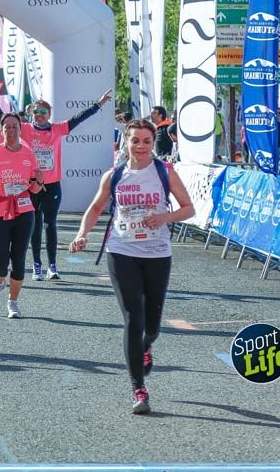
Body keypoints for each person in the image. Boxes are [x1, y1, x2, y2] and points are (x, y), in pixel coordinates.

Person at [69, 118, 195, 415]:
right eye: (135, 140)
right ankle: (138, 388)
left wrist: (162, 218)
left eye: (146, 141)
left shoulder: (164, 172)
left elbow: (189, 208)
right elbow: (96, 208)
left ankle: (147, 345)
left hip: (157, 253)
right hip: (121, 251)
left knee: (151, 325)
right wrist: (82, 234)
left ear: (153, 143)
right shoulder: (114, 175)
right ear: (125, 142)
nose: (140, 146)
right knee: (133, 318)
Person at [22, 89, 112, 281]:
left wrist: (98, 104)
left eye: (43, 112)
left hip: (52, 185)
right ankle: (37, 265)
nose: (39, 115)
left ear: (49, 114)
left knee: (50, 224)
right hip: (32, 185)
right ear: (31, 114)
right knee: (34, 225)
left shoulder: (57, 129)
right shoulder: (25, 129)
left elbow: (78, 119)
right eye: (36, 112)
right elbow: (5, 121)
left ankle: (52, 266)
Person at [0, 113, 44, 319]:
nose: (11, 131)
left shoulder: (29, 154)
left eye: (15, 127)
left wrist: (39, 181)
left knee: (19, 259)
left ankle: (13, 303)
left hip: (24, 210)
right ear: (1, 130)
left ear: (20, 130)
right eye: (7, 127)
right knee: (0, 260)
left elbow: (35, 189)